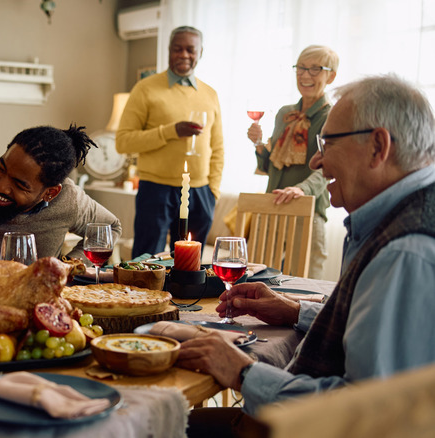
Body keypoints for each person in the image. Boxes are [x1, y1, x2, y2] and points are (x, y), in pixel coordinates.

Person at [179, 74, 435, 437]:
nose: (316, 160)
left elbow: (366, 413)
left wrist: (242, 372)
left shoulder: (406, 252)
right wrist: (296, 311)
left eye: (327, 142)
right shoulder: (404, 218)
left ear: (379, 146)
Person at [116, 25, 224, 256]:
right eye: (178, 49)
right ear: (168, 51)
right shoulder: (145, 89)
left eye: (190, 50)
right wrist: (170, 131)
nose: (184, 55)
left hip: (200, 192)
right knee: (146, 262)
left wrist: (212, 191)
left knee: (189, 268)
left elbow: (218, 147)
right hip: (156, 190)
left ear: (200, 52)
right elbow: (123, 142)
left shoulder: (210, 94)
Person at [0, 124, 122, 261]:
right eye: (2, 167)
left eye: (20, 185)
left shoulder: (69, 199)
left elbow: (111, 227)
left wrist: (68, 267)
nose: (1, 186)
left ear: (50, 193)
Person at [247, 45, 338, 279]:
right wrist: (259, 144)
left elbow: (328, 167)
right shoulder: (284, 114)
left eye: (315, 69)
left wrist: (300, 189)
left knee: (307, 285)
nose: (305, 75)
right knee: (260, 279)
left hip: (309, 210)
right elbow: (271, 166)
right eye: (301, 68)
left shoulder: (332, 117)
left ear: (331, 76)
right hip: (273, 206)